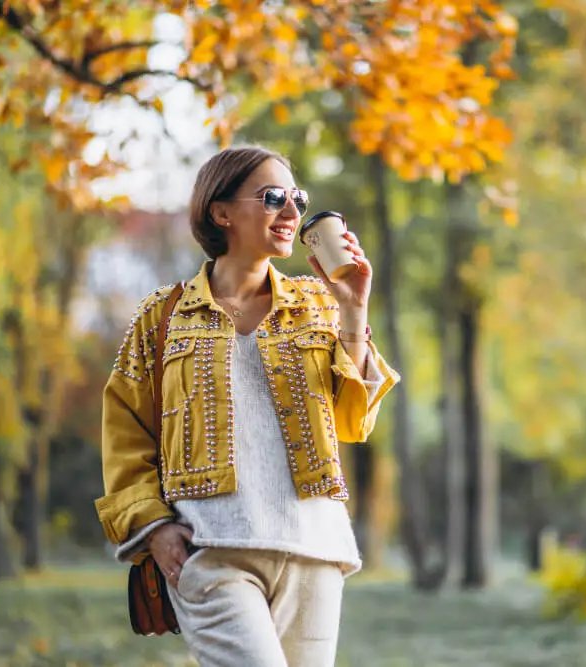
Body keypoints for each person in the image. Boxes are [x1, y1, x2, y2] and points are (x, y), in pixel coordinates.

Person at [95, 145, 399, 667]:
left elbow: (354, 421)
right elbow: (125, 429)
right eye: (273, 197)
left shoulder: (319, 306)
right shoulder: (162, 315)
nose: (292, 213)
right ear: (221, 212)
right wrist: (155, 526)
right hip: (213, 551)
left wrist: (354, 311)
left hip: (315, 551)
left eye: (297, 199)